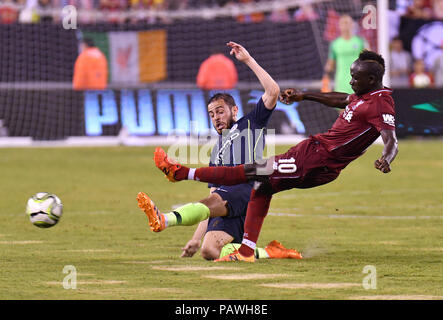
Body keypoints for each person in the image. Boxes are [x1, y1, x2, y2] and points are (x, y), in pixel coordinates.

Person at [153, 50, 399, 262]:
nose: (351, 80)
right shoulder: (362, 96)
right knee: (259, 187)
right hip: (323, 165)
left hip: (315, 156)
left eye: (356, 77)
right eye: (212, 114)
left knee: (253, 171)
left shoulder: (381, 102)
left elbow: (391, 139)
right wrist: (305, 95)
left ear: (372, 79)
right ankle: (249, 251)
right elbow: (342, 99)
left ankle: (182, 174)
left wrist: (386, 157)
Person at [138, 41, 301, 261]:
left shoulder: (250, 123)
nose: (216, 118)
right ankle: (270, 252)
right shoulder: (216, 151)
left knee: (216, 201)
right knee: (209, 252)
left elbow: (272, 91)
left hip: (248, 189)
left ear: (234, 110)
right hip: (226, 201)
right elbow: (212, 197)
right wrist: (196, 239)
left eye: (220, 111)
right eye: (212, 114)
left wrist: (248, 60)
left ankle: (164, 219)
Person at [323, 14, 368, 93]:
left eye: (347, 23)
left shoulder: (360, 42)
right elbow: (330, 65)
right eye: (343, 23)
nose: (345, 25)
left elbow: (369, 61)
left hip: (359, 84)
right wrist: (326, 80)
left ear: (352, 25)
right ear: (339, 26)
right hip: (341, 84)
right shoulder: (335, 44)